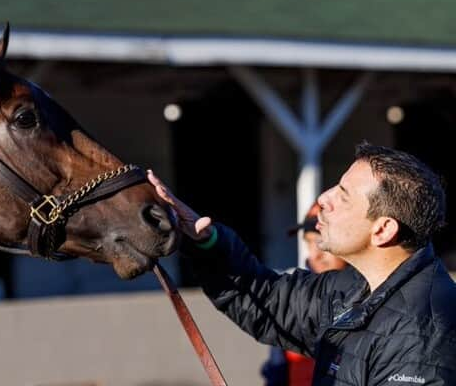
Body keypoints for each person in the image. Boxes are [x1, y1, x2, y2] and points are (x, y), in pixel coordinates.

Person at [147, 141, 456, 385]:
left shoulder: (422, 339)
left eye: (343, 196)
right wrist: (206, 242)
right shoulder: (353, 288)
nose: (324, 198)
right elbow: (265, 299)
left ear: (383, 229)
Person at [262, 202, 347, 386]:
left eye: (320, 242)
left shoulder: (376, 293)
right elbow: (277, 367)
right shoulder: (293, 295)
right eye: (309, 243)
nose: (314, 255)